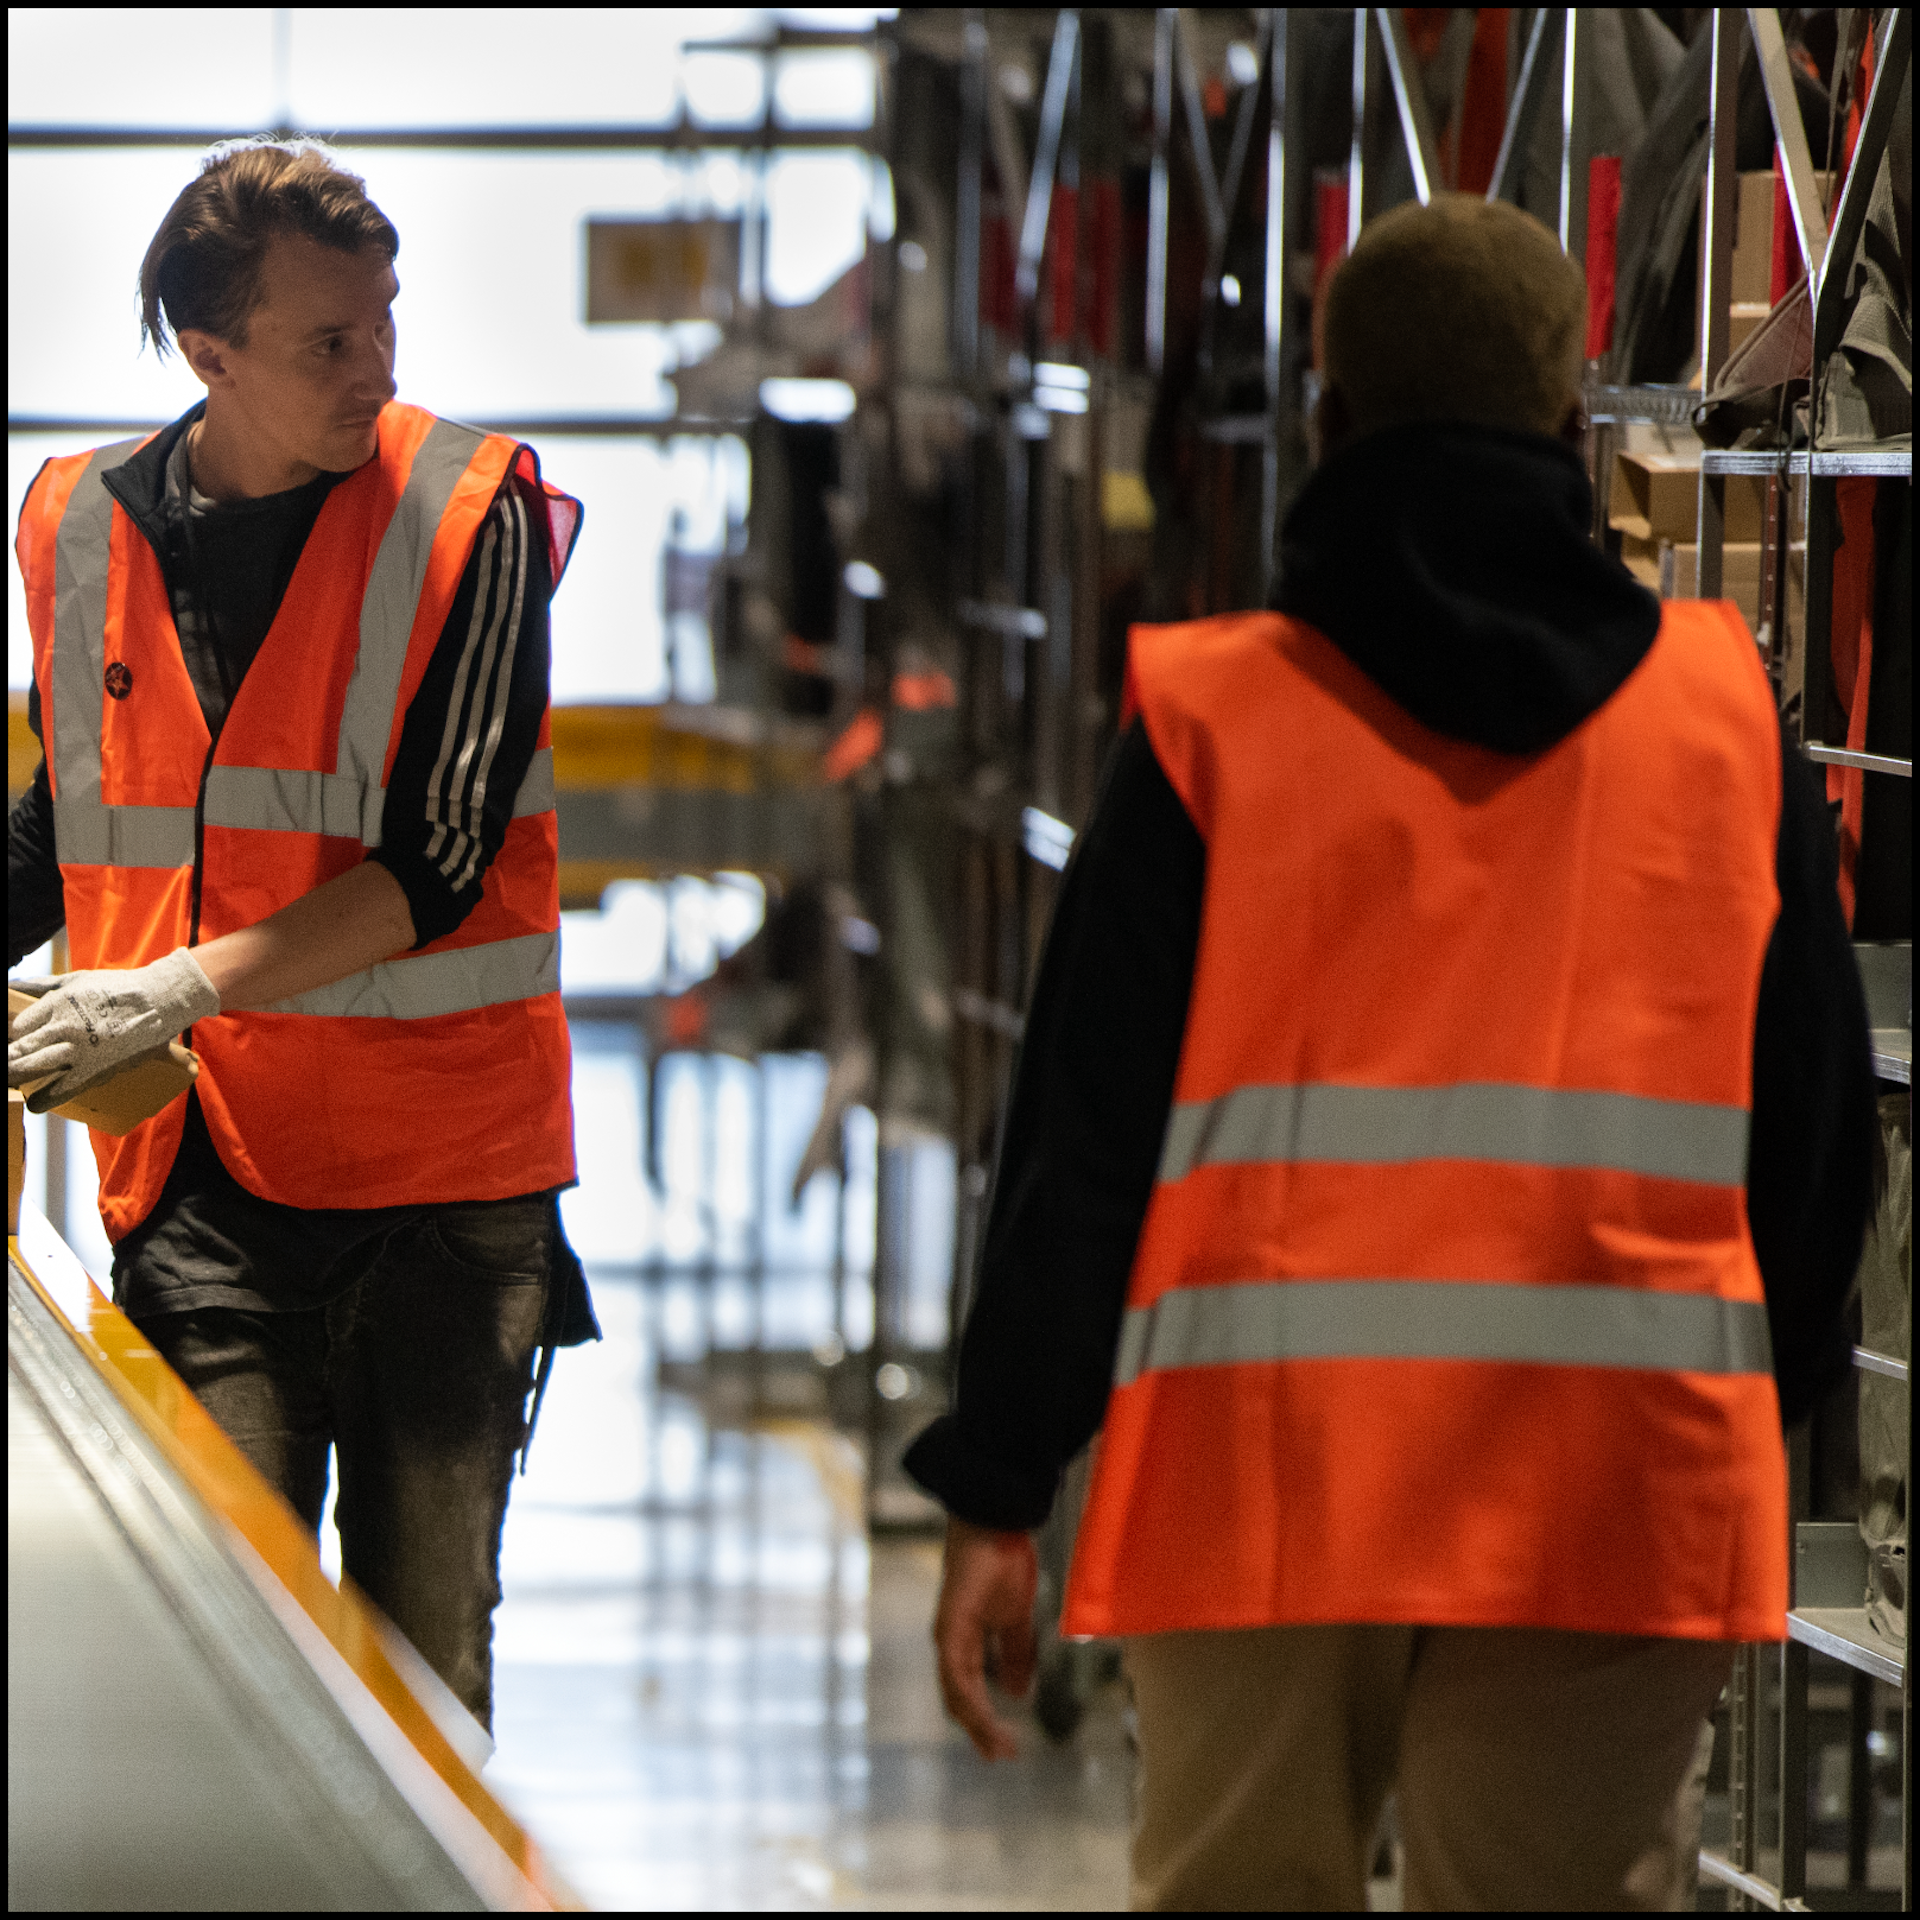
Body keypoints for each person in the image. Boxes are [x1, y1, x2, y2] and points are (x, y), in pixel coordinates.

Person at [905, 195, 1875, 1910]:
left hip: (1267, 1479)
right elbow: (1814, 1149)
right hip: (1619, 1478)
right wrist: (1755, 1423)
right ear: (1572, 433)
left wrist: (998, 1482)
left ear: (1330, 421)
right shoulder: (1726, 723)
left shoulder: (1220, 722)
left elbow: (1082, 1142)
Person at [7, 141, 596, 1732]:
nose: (378, 367)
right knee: (231, 1673)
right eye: (330, 341)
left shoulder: (473, 515)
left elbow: (440, 863)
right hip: (210, 1185)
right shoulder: (77, 527)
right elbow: (71, 820)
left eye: (387, 320)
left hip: (446, 1195)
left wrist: (163, 989)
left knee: (420, 1684)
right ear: (210, 356)